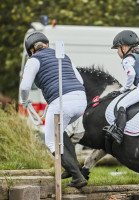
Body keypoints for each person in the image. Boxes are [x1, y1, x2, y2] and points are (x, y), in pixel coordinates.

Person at [20, 31, 87, 188]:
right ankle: (72, 168)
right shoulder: (64, 56)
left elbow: (24, 87)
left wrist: (24, 101)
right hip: (81, 99)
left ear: (31, 50)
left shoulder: (33, 60)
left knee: (51, 141)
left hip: (62, 102)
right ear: (46, 44)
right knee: (60, 133)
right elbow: (81, 80)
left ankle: (78, 177)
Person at [105, 30, 139, 144]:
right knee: (136, 107)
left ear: (124, 48)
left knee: (122, 105)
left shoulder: (127, 59)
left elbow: (131, 74)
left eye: (117, 48)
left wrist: (125, 88)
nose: (117, 52)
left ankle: (119, 132)